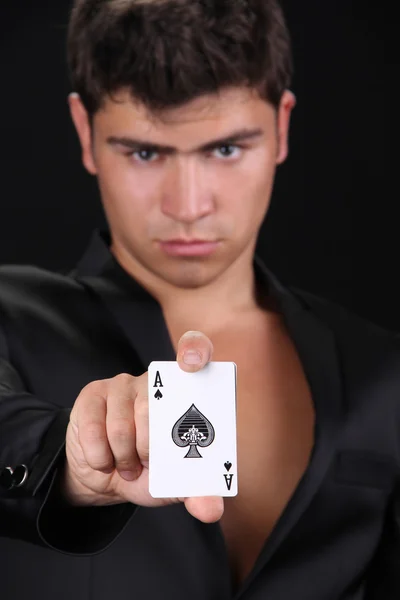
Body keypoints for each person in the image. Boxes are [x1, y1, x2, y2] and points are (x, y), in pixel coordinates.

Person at [0, 0, 397, 598]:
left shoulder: (385, 371)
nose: (188, 206)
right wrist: (70, 462)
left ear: (282, 128)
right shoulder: (7, 316)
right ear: (85, 133)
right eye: (145, 152)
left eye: (226, 150)